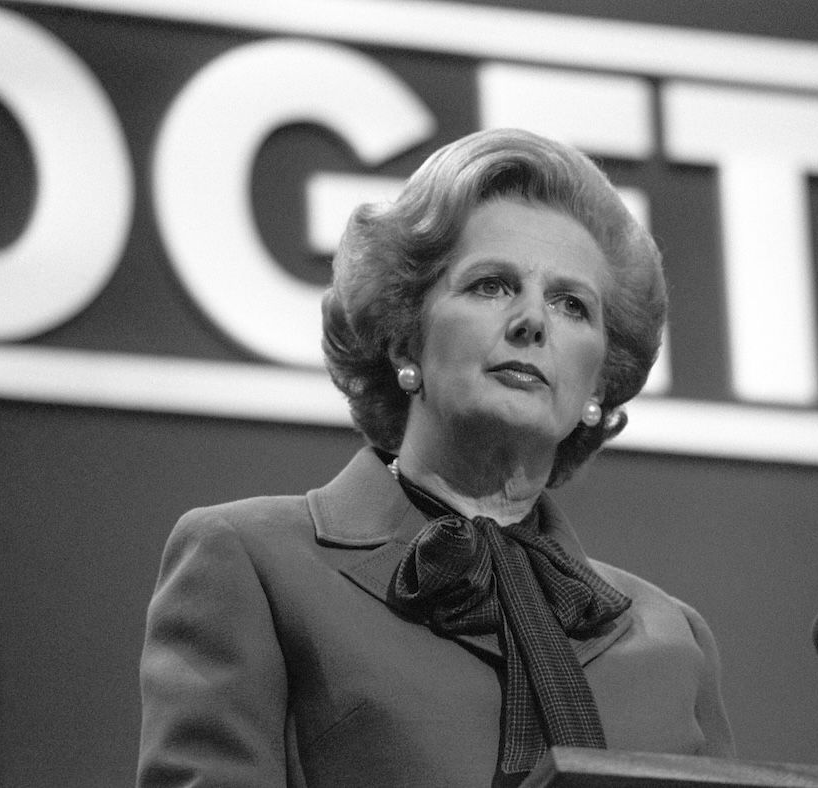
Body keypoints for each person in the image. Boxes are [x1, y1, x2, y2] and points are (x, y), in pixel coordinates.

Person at [137, 128, 734, 787]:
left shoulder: (675, 642)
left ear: (598, 385)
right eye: (491, 286)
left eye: (572, 305)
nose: (533, 321)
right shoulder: (253, 562)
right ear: (404, 340)